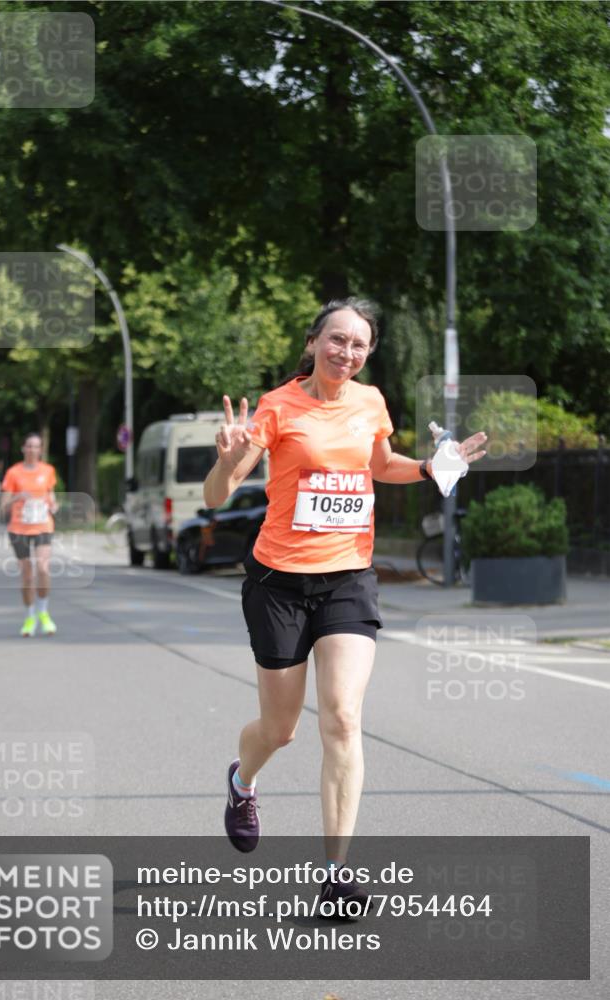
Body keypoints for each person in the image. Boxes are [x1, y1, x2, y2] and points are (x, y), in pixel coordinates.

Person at [204, 297, 487, 915]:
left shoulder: (370, 401)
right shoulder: (278, 408)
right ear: (312, 343)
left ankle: (336, 876)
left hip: (348, 581)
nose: (347, 354)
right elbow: (216, 495)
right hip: (278, 583)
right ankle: (241, 780)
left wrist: (431, 467)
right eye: (337, 340)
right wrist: (226, 462)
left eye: (359, 345)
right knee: (280, 730)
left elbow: (379, 463)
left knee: (343, 718)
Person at [0, 433, 59, 637]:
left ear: (41, 450)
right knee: (27, 575)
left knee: (43, 568)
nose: (33, 450)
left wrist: (54, 504)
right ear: (23, 449)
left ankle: (43, 612)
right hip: (19, 528)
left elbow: (51, 495)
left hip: (43, 525)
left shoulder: (48, 471)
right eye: (29, 446)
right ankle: (29, 616)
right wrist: (17, 497)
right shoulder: (13, 473)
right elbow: (2, 506)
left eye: (36, 447)